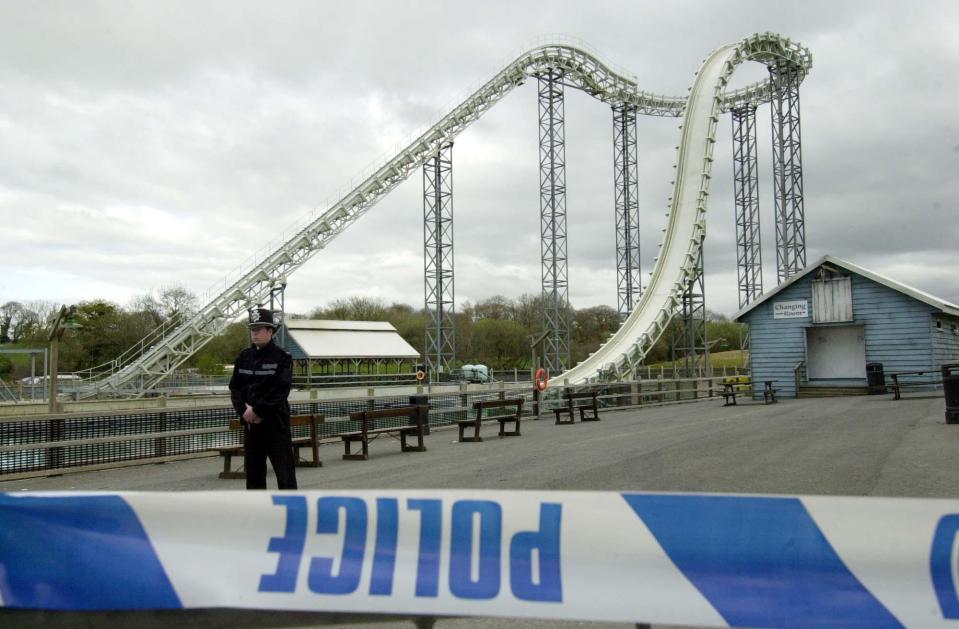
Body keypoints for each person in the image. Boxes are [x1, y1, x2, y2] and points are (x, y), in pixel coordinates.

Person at [228, 307, 297, 490]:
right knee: (254, 477)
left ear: (270, 331)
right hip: (252, 427)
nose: (254, 333)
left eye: (259, 330)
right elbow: (235, 387)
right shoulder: (244, 357)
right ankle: (259, 515)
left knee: (285, 476)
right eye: (252, 329)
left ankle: (290, 515)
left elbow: (280, 391)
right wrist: (244, 411)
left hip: (275, 425)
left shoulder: (281, 357)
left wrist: (257, 410)